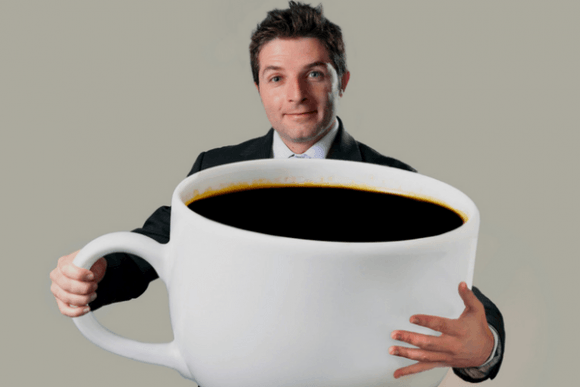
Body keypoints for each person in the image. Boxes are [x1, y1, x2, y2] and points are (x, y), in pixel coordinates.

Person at [50, 1, 505, 383]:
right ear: (258, 89)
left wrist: (484, 350)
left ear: (342, 81)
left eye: (314, 75)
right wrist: (91, 273)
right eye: (276, 77)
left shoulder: (394, 182)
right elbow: (149, 248)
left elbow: (456, 292)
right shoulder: (215, 169)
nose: (295, 95)